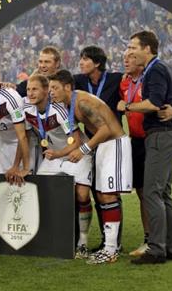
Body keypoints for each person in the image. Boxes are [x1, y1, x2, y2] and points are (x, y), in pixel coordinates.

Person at [49, 70, 132, 265]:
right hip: (103, 146)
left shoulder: (83, 102)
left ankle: (111, 250)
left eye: (54, 88)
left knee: (109, 195)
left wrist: (83, 149)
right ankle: (111, 247)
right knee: (103, 195)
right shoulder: (71, 103)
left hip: (114, 144)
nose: (51, 92)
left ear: (67, 87)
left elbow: (106, 129)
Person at [24, 74, 93, 257]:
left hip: (75, 153)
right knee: (38, 191)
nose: (30, 93)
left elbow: (77, 140)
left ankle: (83, 241)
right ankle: (48, 237)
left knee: (82, 194)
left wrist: (58, 154)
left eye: (35, 89)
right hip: (53, 156)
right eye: (28, 89)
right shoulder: (28, 111)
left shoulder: (59, 110)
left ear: (46, 91)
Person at [123, 31, 172, 264]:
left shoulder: (155, 69)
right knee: (163, 193)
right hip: (166, 135)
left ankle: (156, 249)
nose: (130, 51)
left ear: (147, 48)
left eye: (133, 46)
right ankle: (171, 246)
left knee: (153, 192)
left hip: (159, 135)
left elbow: (154, 103)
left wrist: (128, 106)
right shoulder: (159, 68)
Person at [119, 49, 150, 257]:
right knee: (141, 191)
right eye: (125, 58)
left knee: (152, 192)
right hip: (135, 142)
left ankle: (158, 238)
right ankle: (149, 237)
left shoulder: (151, 80)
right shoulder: (124, 83)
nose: (126, 60)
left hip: (153, 139)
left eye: (130, 57)